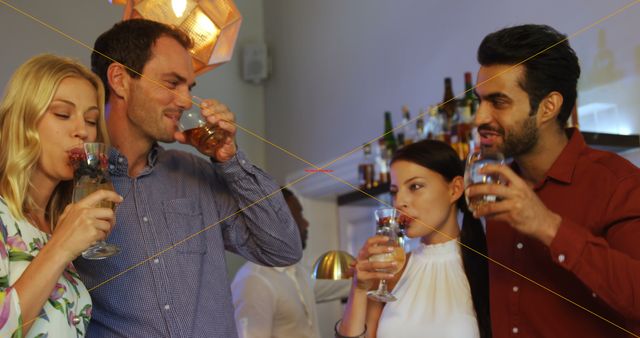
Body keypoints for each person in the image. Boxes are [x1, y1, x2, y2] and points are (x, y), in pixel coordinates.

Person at [73, 19, 302, 337]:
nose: (185, 100)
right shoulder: (73, 183)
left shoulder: (197, 174)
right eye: (172, 83)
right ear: (120, 80)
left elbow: (283, 250)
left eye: (188, 88)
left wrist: (230, 160)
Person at [466, 24, 640, 337]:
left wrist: (548, 226)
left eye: (498, 101)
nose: (480, 118)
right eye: (480, 101)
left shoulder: (619, 183)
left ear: (548, 107)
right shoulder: (495, 186)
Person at [0, 54, 122, 337]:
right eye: (62, 114)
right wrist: (62, 247)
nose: (82, 131)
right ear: (23, 120)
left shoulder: (52, 225)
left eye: (91, 120)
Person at [336, 140, 491, 338]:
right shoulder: (390, 272)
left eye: (415, 186)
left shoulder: (487, 266)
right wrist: (358, 289)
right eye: (394, 191)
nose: (399, 202)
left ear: (455, 189)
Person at [231, 188, 351, 338]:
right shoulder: (253, 281)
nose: (306, 223)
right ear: (279, 222)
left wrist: (375, 274)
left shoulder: (296, 271)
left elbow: (343, 284)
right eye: (299, 214)